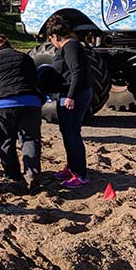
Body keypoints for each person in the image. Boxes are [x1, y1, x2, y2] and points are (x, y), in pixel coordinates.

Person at [0, 35, 43, 191]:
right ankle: (31, 174)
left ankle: (12, 175)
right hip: (31, 101)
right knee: (30, 139)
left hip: (4, 103)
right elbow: (35, 78)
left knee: (5, 140)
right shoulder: (26, 58)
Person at [46, 16, 93, 189]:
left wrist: (71, 96)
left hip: (75, 95)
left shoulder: (71, 46)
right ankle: (72, 167)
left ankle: (81, 174)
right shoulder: (66, 48)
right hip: (65, 94)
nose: (52, 44)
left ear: (55, 37)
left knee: (73, 133)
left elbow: (76, 72)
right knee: (66, 131)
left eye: (51, 40)